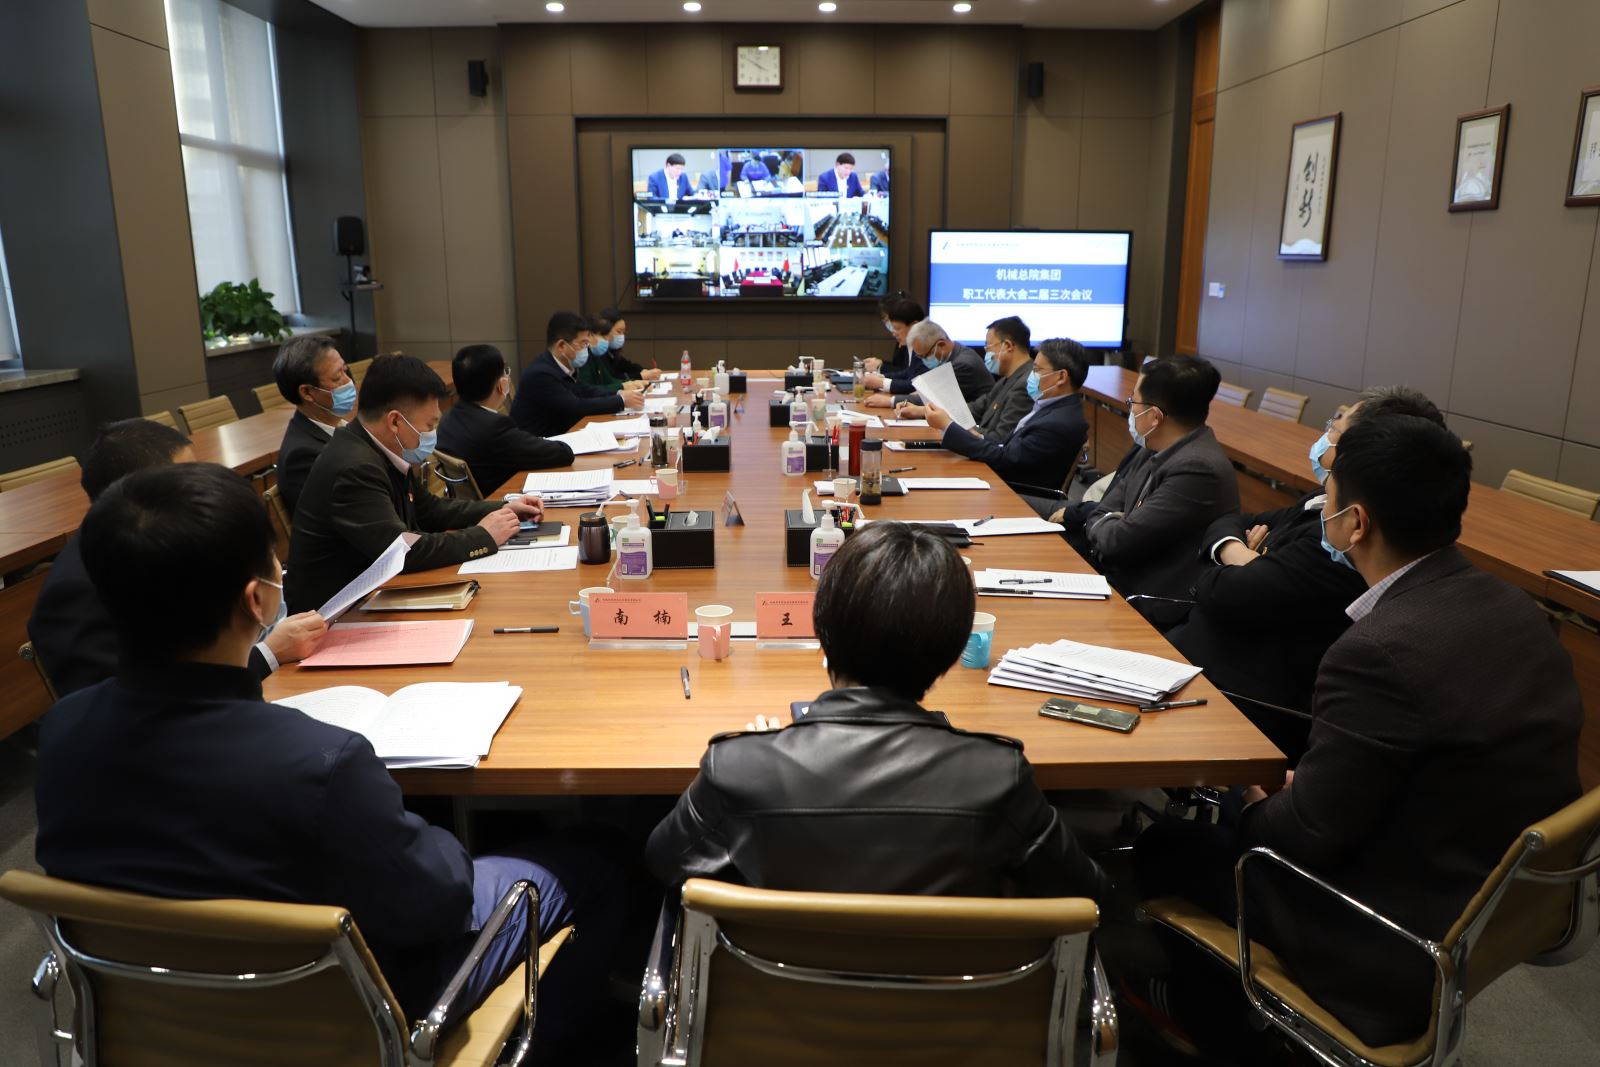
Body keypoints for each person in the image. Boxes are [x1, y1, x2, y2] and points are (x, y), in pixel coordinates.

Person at [35, 462, 620, 1050]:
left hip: (155, 1023)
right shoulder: (320, 762)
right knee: (596, 864)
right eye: (276, 564)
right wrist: (442, 838)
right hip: (353, 1018)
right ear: (258, 600)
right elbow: (440, 903)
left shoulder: (62, 734)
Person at [1132, 414, 1583, 1055]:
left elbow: (1303, 835)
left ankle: (1221, 1030)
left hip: (1384, 934)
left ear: (1356, 524)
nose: (1322, 511)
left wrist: (1256, 801)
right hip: (1481, 904)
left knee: (1171, 844)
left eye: (1329, 498)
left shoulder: (1378, 649)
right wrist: (1305, 789)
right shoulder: (1516, 608)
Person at [646, 521, 1110, 902]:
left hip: (769, 991)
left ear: (822, 631)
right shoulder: (998, 775)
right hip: (943, 990)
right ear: (953, 653)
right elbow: (1087, 894)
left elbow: (663, 862)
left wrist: (764, 751)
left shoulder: (738, 766)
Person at [1164, 386, 1444, 758]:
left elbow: (1218, 591)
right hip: (1202, 651)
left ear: (1360, 453)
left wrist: (1242, 565)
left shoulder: (1341, 541)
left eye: (1334, 428)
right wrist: (1242, 555)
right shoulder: (1321, 500)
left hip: (1239, 695)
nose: (1324, 434)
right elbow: (1234, 520)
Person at [27, 419, 325, 696]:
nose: (200, 486)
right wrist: (267, 654)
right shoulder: (76, 591)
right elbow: (127, 702)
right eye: (185, 478)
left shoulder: (164, 540)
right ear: (138, 494)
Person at [286, 355, 544, 614]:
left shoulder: (378, 446)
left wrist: (504, 508)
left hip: (373, 594)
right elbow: (401, 552)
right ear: (395, 421)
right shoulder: (354, 467)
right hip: (334, 616)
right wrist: (484, 535)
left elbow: (430, 510)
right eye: (430, 424)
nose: (433, 433)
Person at [1055, 355, 1238, 629]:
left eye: (1134, 402)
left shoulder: (1198, 469)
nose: (1130, 408)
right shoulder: (1153, 445)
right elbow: (1104, 511)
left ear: (1154, 417)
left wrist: (1111, 521)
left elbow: (1116, 543)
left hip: (1145, 604)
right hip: (1114, 576)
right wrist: (1112, 520)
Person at [928, 338, 1089, 503]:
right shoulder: (1051, 407)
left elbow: (1006, 460)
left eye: (1037, 369)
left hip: (1018, 496)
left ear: (1061, 377)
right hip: (1006, 483)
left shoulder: (1058, 423)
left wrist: (948, 426)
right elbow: (1009, 447)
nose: (1031, 375)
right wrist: (976, 436)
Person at [437, 344, 574, 495]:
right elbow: (563, 454)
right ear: (501, 384)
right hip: (502, 499)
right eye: (506, 372)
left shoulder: (447, 418)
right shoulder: (493, 427)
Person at [509, 311, 643, 439]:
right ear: (561, 346)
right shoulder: (540, 374)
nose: (586, 348)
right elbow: (575, 406)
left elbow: (583, 390)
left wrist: (618, 393)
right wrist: (620, 401)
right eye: (583, 344)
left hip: (559, 437)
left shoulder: (560, 367)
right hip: (540, 445)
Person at [897, 315, 1034, 439]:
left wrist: (948, 425)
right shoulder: (1006, 380)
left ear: (1008, 346)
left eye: (988, 346)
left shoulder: (1024, 385)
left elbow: (1000, 438)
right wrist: (924, 411)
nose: (986, 351)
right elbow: (976, 408)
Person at [272, 335, 354, 517]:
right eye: (337, 377)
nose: (349, 382)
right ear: (307, 392)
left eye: (345, 370)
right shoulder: (303, 456)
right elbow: (349, 518)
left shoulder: (341, 426)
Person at [863, 319, 991, 409]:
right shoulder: (950, 355)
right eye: (920, 357)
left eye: (925, 356)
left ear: (941, 344)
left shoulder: (963, 365)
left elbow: (934, 399)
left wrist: (891, 401)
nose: (924, 361)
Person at [577, 310, 656, 392]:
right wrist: (625, 385)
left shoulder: (595, 355)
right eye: (604, 337)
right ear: (590, 335)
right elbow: (588, 391)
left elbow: (609, 380)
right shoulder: (583, 358)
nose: (608, 341)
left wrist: (631, 383)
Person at [860, 292, 922, 378]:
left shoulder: (922, 342)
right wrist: (880, 365)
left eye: (888, 319)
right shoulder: (902, 337)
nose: (893, 331)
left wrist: (880, 368)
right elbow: (904, 371)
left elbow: (910, 376)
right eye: (885, 321)